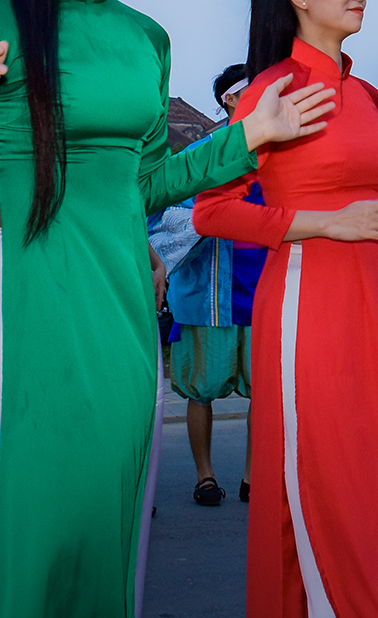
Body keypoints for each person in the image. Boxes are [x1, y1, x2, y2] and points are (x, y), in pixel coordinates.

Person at [0, 0, 331, 616]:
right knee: (39, 520)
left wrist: (248, 140)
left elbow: (142, 185)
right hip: (30, 292)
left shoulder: (146, 38)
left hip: (125, 305)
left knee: (109, 511)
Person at [195, 0, 378, 616]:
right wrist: (326, 223)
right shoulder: (272, 91)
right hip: (310, 302)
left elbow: (368, 210)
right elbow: (212, 211)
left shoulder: (369, 96)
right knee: (324, 480)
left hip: (374, 296)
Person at [149, 62, 261, 508]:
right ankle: (205, 475)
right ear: (229, 100)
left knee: (265, 391)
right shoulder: (204, 152)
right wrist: (205, 219)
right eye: (251, 90)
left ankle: (254, 475)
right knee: (201, 387)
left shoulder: (279, 154)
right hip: (210, 292)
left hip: (263, 288)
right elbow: (164, 212)